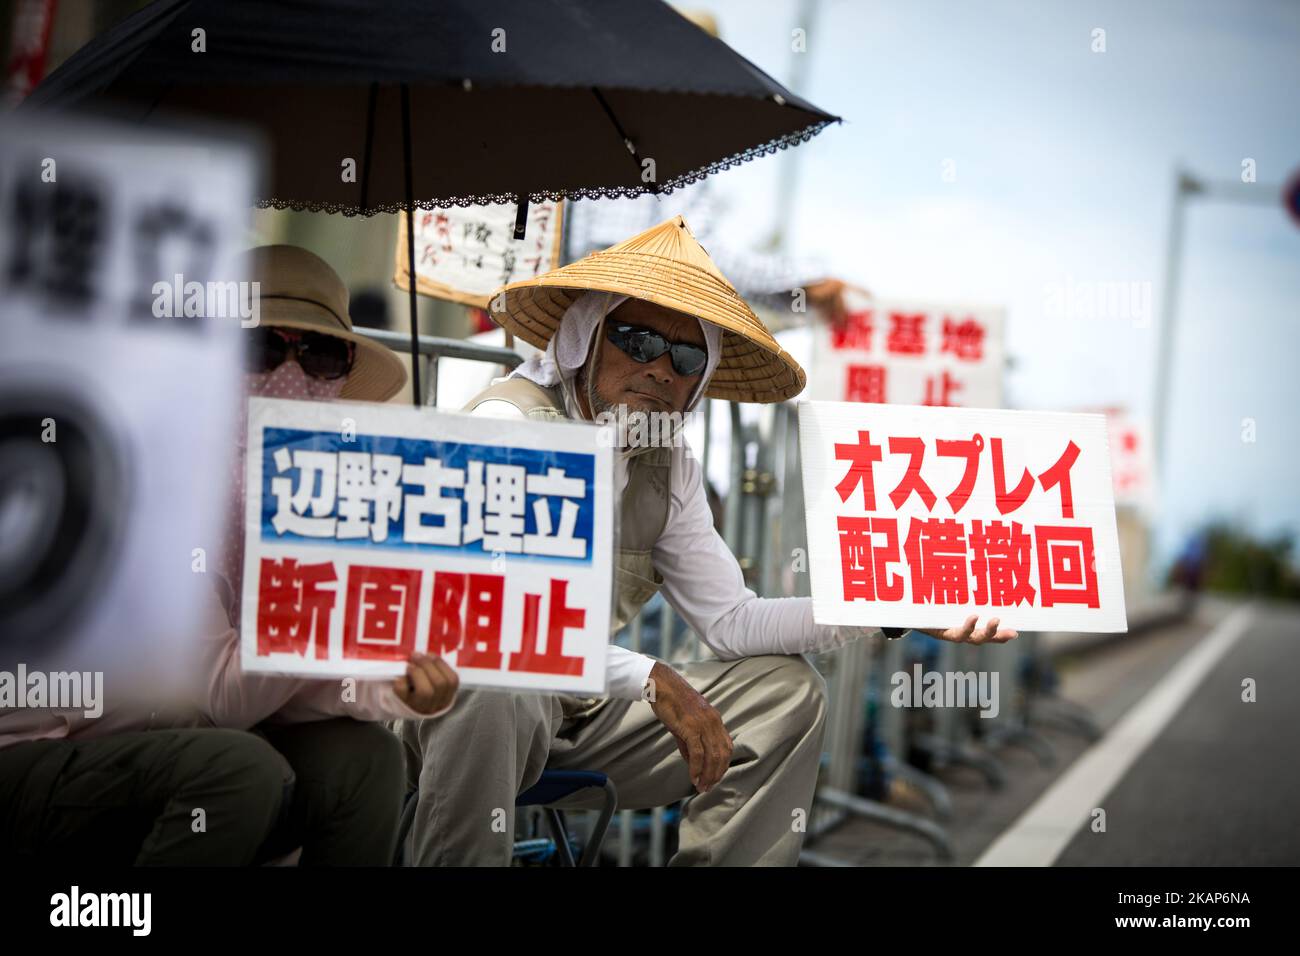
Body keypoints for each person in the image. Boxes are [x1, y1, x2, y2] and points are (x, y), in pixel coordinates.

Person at [398, 216, 1016, 866]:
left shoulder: (670, 464)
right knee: (499, 679)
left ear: (701, 378)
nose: (661, 368)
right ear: (583, 337)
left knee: (786, 692)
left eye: (686, 356)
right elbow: (498, 624)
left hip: (577, 712)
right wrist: (652, 678)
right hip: (446, 700)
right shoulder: (510, 426)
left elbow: (730, 619)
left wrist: (886, 607)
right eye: (635, 339)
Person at [0, 245, 457, 865]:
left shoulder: (287, 496)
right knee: (241, 767)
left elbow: (288, 684)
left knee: (366, 758)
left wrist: (395, 685)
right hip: (32, 761)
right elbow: (227, 695)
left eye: (321, 355)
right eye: (260, 347)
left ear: (344, 372)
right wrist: (326, 568)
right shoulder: (154, 470)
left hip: (165, 745)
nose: (291, 376)